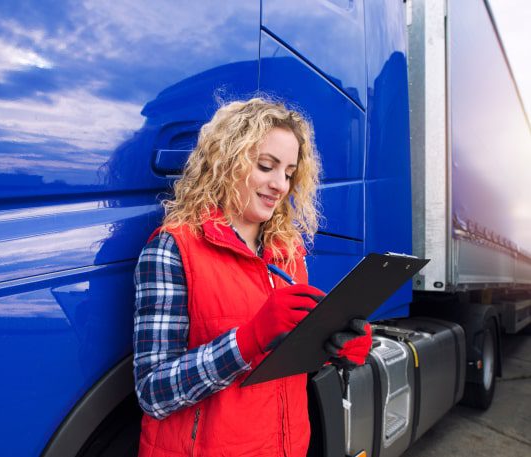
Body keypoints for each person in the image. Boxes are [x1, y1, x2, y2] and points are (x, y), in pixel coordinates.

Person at [133, 97, 372, 456]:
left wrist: (334, 348)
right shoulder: (173, 248)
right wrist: (248, 340)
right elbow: (154, 391)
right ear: (226, 161)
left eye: (289, 173)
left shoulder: (288, 253)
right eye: (266, 166)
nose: (280, 184)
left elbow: (287, 363)